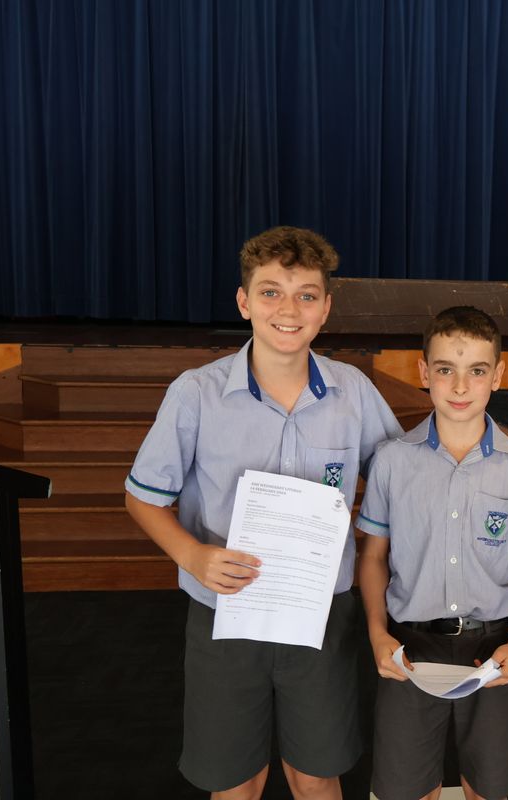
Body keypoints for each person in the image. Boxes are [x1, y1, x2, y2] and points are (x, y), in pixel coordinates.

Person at [125, 226, 405, 800]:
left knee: (316, 773)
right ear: (244, 301)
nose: (289, 309)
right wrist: (192, 555)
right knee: (238, 780)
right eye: (271, 292)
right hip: (226, 612)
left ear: (326, 308)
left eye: (306, 295)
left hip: (322, 614)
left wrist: (502, 458)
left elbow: (403, 477)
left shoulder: (353, 392)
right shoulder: (196, 393)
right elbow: (143, 496)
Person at [357, 306, 508, 800]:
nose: (461, 386)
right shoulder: (392, 461)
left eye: (477, 371)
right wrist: (377, 633)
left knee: (487, 787)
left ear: (498, 375)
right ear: (424, 373)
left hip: (493, 647)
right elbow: (374, 557)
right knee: (406, 789)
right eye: (446, 369)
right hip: (410, 647)